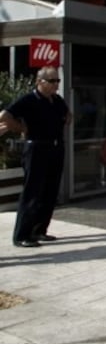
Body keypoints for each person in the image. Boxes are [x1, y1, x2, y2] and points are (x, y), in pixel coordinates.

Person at [0, 66, 71, 248]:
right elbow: (5, 115)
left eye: (58, 81)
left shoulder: (56, 100)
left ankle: (39, 230)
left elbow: (68, 115)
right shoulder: (29, 100)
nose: (56, 84)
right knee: (33, 191)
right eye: (52, 81)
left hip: (55, 147)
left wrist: (65, 119)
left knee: (50, 191)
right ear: (40, 82)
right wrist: (20, 128)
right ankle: (22, 234)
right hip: (37, 147)